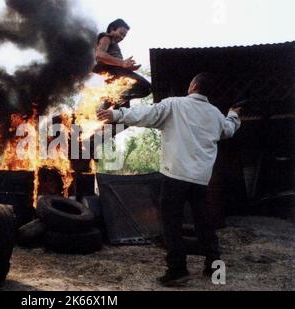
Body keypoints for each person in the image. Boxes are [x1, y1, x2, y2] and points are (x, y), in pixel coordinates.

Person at [97, 73, 242, 287]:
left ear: (193, 85)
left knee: (171, 223)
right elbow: (228, 130)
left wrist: (116, 114)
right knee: (204, 222)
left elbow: (146, 113)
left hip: (175, 176)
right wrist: (233, 115)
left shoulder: (175, 105)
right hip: (200, 179)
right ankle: (214, 266)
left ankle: (177, 270)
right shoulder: (215, 115)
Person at [93, 19, 152, 109]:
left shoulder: (114, 44)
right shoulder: (106, 37)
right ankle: (109, 101)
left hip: (115, 73)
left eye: (124, 36)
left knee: (123, 105)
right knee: (145, 87)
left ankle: (108, 106)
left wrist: (129, 68)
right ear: (112, 29)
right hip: (110, 70)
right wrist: (122, 63)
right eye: (121, 33)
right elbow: (99, 55)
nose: (122, 37)